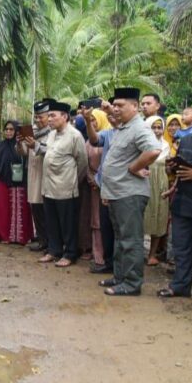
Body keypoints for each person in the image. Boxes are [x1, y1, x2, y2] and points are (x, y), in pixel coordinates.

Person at [93, 88, 161, 296]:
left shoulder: (139, 127)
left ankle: (131, 284)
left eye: (120, 105)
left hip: (130, 194)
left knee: (130, 240)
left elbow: (153, 150)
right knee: (121, 238)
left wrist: (134, 167)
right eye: (114, 105)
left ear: (135, 106)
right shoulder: (124, 127)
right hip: (117, 193)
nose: (116, 109)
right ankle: (120, 277)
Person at [38, 101, 88, 268]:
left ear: (65, 116)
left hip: (66, 188)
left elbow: (82, 163)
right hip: (48, 187)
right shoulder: (51, 134)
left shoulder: (75, 135)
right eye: (48, 116)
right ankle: (54, 250)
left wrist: (73, 181)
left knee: (68, 224)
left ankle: (70, 254)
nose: (49, 119)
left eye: (53, 116)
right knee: (51, 221)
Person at [157, 118, 192, 300]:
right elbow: (180, 172)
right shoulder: (187, 140)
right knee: (181, 248)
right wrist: (171, 169)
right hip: (183, 202)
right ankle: (180, 286)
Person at [0, 121, 34, 244]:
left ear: (17, 131)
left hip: (21, 184)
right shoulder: (0, 147)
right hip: (3, 183)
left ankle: (21, 237)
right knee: (3, 211)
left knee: (22, 210)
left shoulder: (23, 146)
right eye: (6, 129)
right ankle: (5, 236)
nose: (8, 132)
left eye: (11, 129)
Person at [18, 100, 54, 252]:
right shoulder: (32, 131)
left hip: (47, 174)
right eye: (36, 117)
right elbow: (23, 152)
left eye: (41, 117)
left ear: (48, 116)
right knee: (36, 208)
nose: (38, 120)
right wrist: (19, 143)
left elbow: (53, 151)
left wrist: (36, 145)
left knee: (48, 211)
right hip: (33, 173)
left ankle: (52, 243)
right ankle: (42, 239)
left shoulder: (53, 132)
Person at [83, 109, 110, 270]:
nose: (92, 122)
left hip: (108, 184)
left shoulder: (109, 137)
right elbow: (84, 162)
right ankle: (97, 254)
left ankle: (108, 255)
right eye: (90, 120)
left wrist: (100, 180)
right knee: (95, 220)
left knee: (107, 220)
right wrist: (91, 178)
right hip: (93, 186)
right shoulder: (89, 141)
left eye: (95, 119)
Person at [143, 116, 170, 266]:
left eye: (160, 127)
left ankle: (152, 255)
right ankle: (137, 253)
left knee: (160, 216)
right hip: (144, 182)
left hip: (161, 184)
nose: (157, 130)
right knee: (142, 216)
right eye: (153, 127)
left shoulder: (166, 145)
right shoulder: (142, 144)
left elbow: (168, 167)